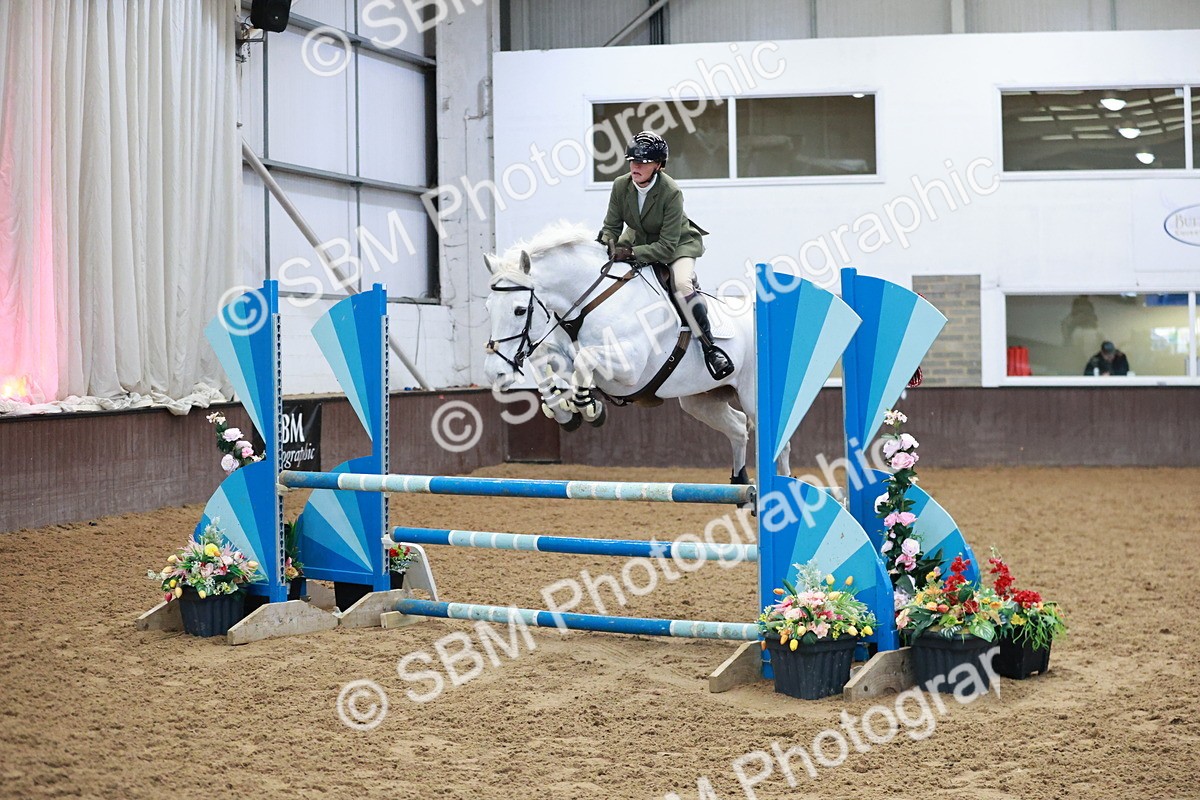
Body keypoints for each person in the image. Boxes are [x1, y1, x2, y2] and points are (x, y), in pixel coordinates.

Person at [596, 131, 733, 380]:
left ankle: (710, 347)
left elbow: (666, 247)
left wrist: (631, 252)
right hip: (639, 238)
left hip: (677, 244)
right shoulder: (620, 185)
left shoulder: (671, 191)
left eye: (644, 162)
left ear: (658, 165)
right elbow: (611, 227)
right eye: (632, 160)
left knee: (680, 283)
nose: (636, 166)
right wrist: (605, 245)